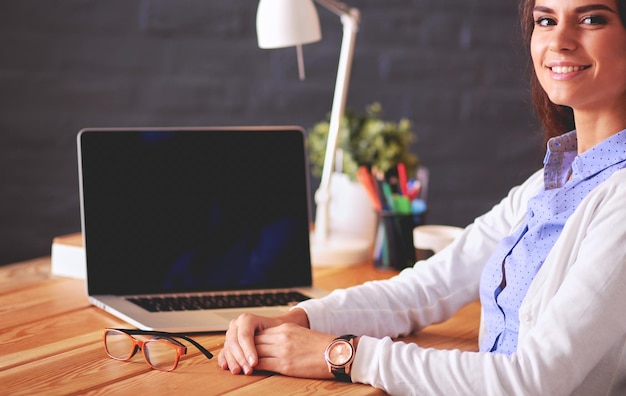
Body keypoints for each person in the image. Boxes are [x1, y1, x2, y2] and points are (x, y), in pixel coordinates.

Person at [218, 0, 626, 393]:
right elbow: (425, 289)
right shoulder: (549, 183)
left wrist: (342, 356)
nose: (559, 41)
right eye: (546, 20)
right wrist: (300, 319)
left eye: (591, 19)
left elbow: (532, 381)